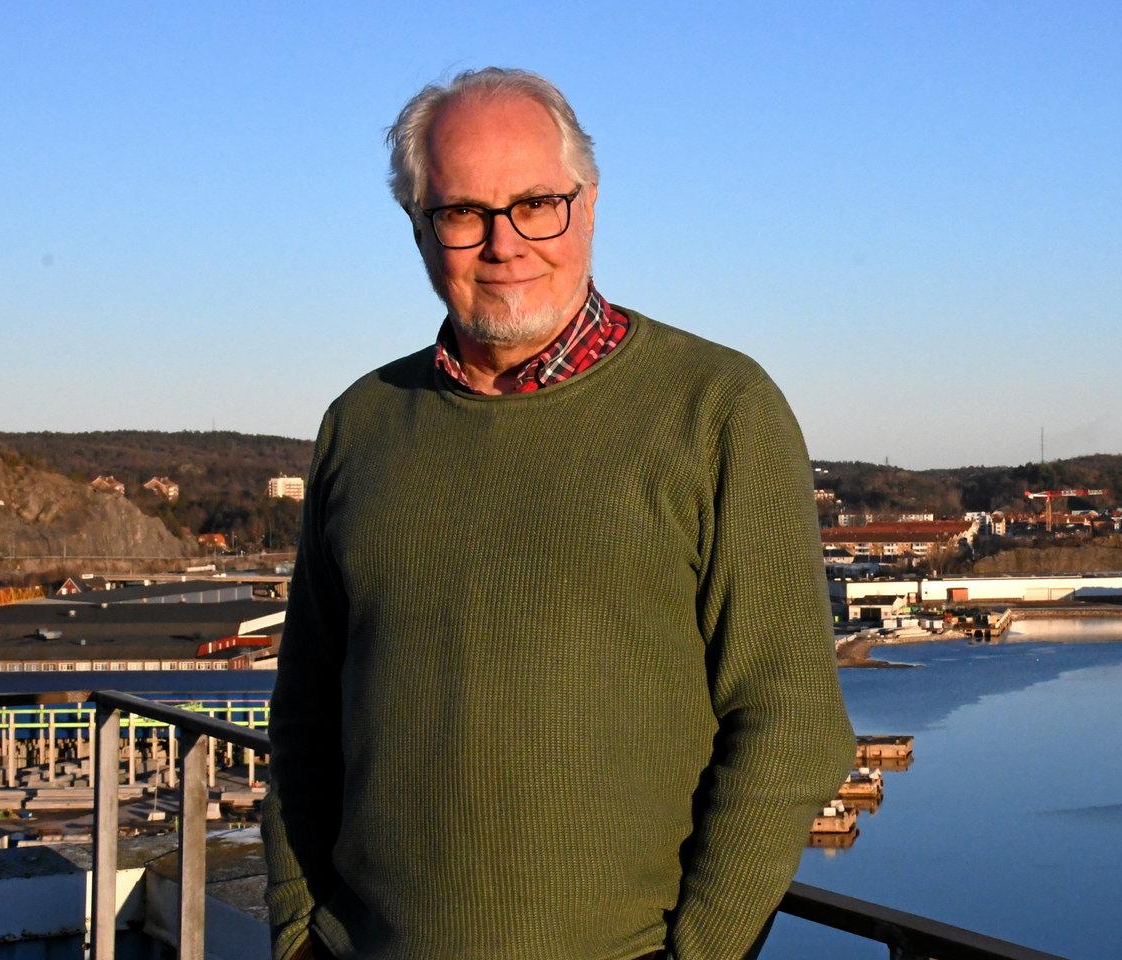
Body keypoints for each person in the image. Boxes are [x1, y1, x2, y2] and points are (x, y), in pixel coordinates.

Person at [262, 67, 855, 960]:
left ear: (590, 201)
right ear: (418, 228)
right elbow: (306, 711)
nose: (505, 243)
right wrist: (297, 932)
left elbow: (791, 720)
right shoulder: (363, 422)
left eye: (538, 204)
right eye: (463, 212)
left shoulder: (718, 410)